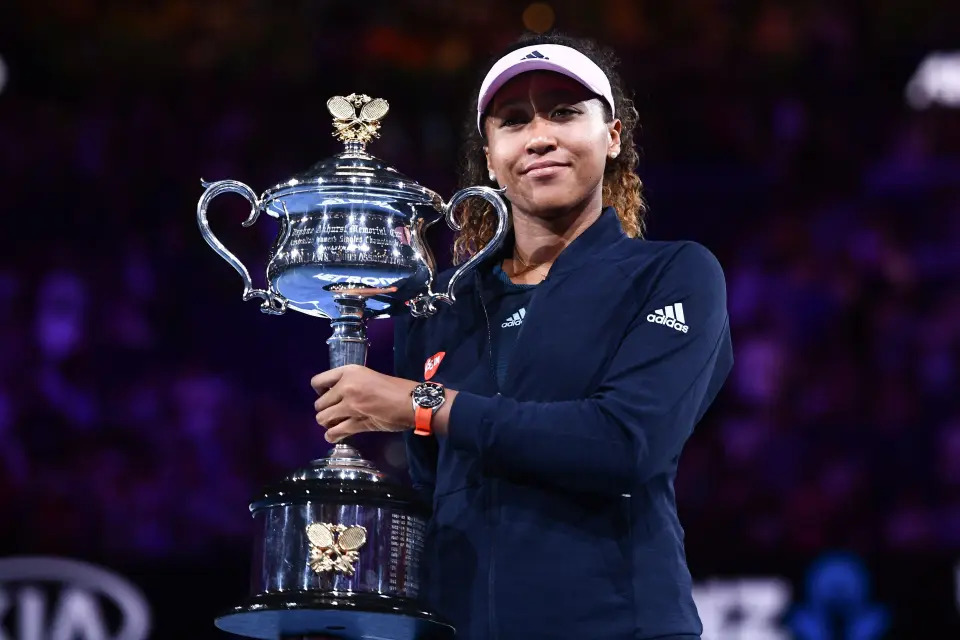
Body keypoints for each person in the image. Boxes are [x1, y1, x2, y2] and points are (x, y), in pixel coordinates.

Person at [311, 32, 733, 640]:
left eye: (564, 113)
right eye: (513, 121)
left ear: (613, 136)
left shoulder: (673, 274)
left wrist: (422, 404)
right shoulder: (439, 303)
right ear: (490, 156)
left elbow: (625, 443)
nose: (539, 137)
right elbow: (436, 493)